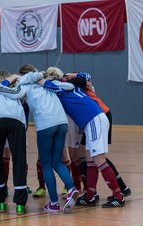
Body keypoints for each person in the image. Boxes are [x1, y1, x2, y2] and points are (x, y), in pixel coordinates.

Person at [0, 66, 79, 214]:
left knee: (46, 164)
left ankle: (54, 203)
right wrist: (45, 82)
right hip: (62, 123)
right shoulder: (49, 83)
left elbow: (12, 93)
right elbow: (70, 86)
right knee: (56, 161)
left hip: (46, 124)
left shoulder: (25, 86)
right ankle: (71, 188)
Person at [31, 71, 125, 208]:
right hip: (94, 120)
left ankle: (118, 196)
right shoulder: (70, 88)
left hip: (93, 120)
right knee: (90, 161)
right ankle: (90, 196)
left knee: (99, 160)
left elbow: (44, 83)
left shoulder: (59, 89)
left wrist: (34, 78)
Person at [64, 72, 131, 201]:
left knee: (98, 157)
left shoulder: (73, 87)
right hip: (95, 117)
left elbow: (85, 78)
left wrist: (67, 75)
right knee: (90, 158)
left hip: (98, 115)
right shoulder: (75, 88)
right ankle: (91, 194)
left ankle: (119, 193)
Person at [0, 70, 28, 214]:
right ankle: (20, 204)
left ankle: (1, 202)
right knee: (19, 160)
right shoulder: (16, 88)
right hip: (16, 120)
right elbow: (23, 102)